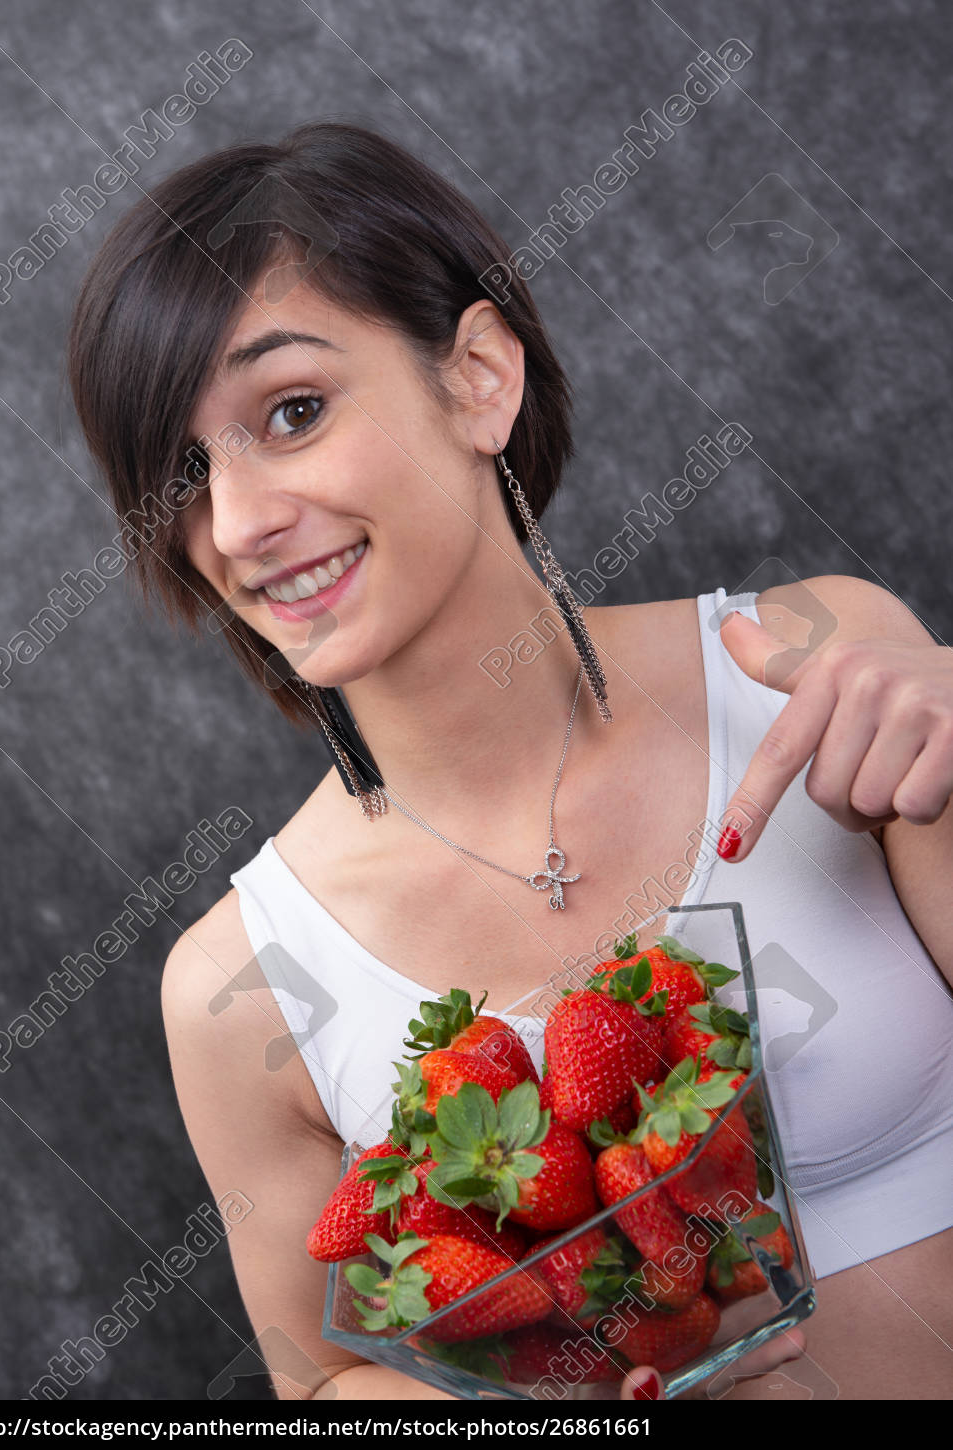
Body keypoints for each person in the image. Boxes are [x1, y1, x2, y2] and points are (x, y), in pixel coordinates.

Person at [68, 121, 953, 1402]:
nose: (244, 520)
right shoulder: (240, 988)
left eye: (294, 410)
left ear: (481, 376)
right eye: (185, 474)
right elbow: (328, 1382)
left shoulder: (822, 672)